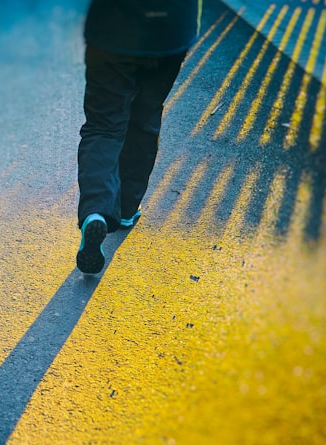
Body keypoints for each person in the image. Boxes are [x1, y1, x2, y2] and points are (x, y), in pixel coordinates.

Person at [76, 0, 202, 274]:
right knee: (146, 117)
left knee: (103, 125)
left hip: (114, 29)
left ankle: (96, 210)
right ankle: (125, 208)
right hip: (172, 29)